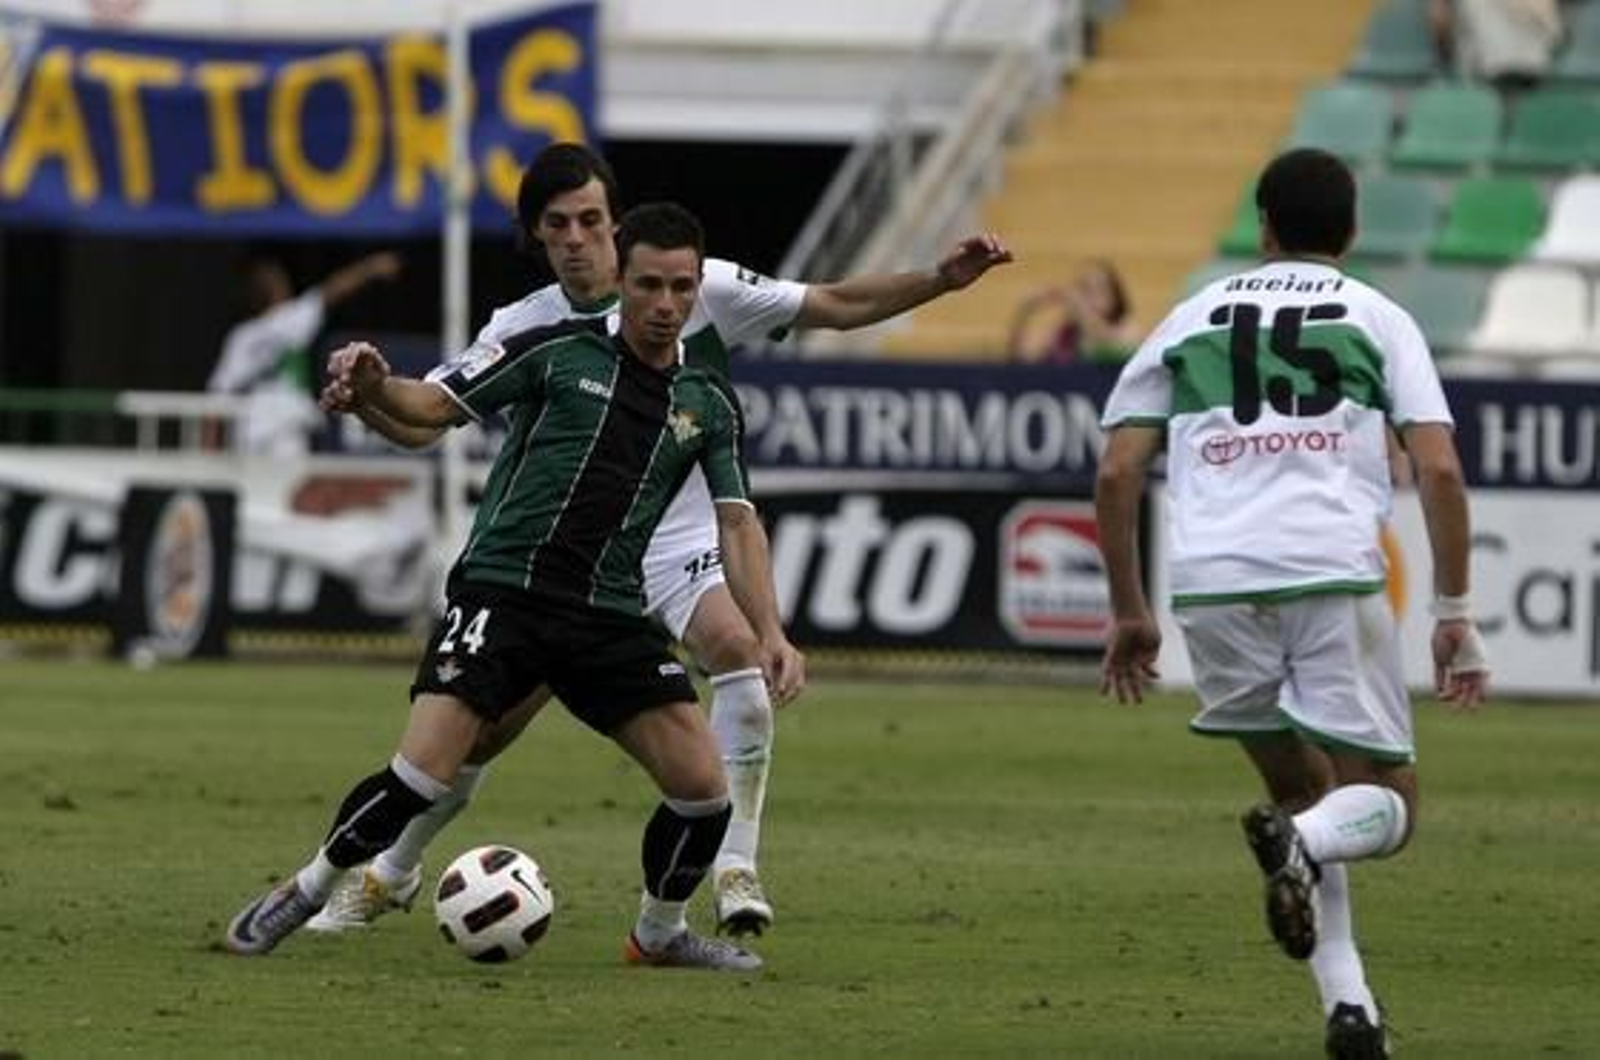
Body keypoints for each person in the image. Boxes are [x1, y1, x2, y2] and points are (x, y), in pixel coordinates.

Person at [310, 142, 1014, 938]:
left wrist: (938, 279)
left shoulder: (691, 287)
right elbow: (423, 423)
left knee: (739, 652)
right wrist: (367, 400)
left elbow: (835, 303)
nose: (577, 239)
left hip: (673, 545)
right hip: (563, 557)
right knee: (480, 733)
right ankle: (391, 873)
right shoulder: (524, 324)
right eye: (557, 225)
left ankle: (735, 868)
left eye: (590, 220)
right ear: (536, 237)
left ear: (616, 223)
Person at [225, 202, 801, 971]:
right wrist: (375, 384)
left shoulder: (707, 404)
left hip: (607, 615)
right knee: (420, 775)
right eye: (649, 285)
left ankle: (658, 934)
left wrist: (770, 632)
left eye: (681, 288)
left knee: (704, 790)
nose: (665, 306)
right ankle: (305, 888)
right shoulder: (552, 352)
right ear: (621, 279)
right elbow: (431, 406)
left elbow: (737, 524)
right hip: (504, 595)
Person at [1093, 148, 1490, 1059]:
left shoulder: (1190, 319)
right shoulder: (1379, 317)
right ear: (1350, 231)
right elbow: (1438, 467)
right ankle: (1304, 847)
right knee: (1383, 805)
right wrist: (1453, 612)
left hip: (1211, 584)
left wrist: (1129, 610)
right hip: (1328, 573)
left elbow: (1118, 471)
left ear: (1263, 226)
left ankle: (1350, 1008)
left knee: (1302, 795)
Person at [206, 250, 401, 456]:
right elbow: (333, 290)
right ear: (271, 288)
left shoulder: (243, 336)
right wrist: (372, 267)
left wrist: (207, 450)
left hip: (252, 434)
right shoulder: (287, 319)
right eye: (276, 278)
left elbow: (217, 395)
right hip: (281, 431)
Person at [1006, 258, 1137, 365]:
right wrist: (1025, 312)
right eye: (1084, 289)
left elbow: (1107, 345)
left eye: (1098, 289)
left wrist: (1081, 310)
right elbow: (1020, 358)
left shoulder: (1126, 328)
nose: (1088, 297)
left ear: (1114, 296)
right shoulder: (1065, 333)